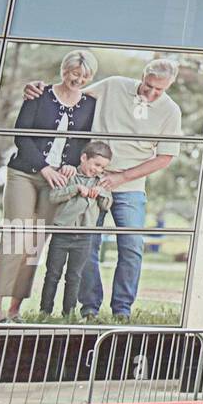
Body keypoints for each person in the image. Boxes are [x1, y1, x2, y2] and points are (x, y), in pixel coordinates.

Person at [24, 58, 183, 321]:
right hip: (91, 180)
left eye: (159, 90)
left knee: (131, 245)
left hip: (130, 186)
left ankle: (122, 309)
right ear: (142, 76)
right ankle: (90, 306)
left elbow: (165, 156)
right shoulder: (114, 85)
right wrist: (39, 89)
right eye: (148, 85)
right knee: (86, 243)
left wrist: (122, 177)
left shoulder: (170, 111)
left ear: (169, 86)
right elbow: (71, 94)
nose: (151, 93)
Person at [0, 50, 99, 322]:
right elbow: (22, 137)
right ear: (64, 70)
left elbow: (82, 142)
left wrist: (73, 162)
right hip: (24, 174)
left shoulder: (89, 104)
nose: (78, 79)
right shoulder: (40, 95)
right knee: (17, 237)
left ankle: (14, 310)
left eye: (85, 76)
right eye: (75, 73)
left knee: (34, 245)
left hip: (58, 182)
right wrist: (45, 167)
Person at [39, 142, 114, 317]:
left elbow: (106, 204)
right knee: (52, 274)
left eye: (102, 167)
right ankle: (45, 311)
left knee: (74, 277)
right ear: (83, 158)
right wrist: (75, 189)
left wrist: (100, 192)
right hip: (62, 234)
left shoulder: (101, 183)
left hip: (84, 237)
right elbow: (53, 197)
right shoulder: (69, 175)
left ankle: (69, 313)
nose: (98, 170)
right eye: (96, 164)